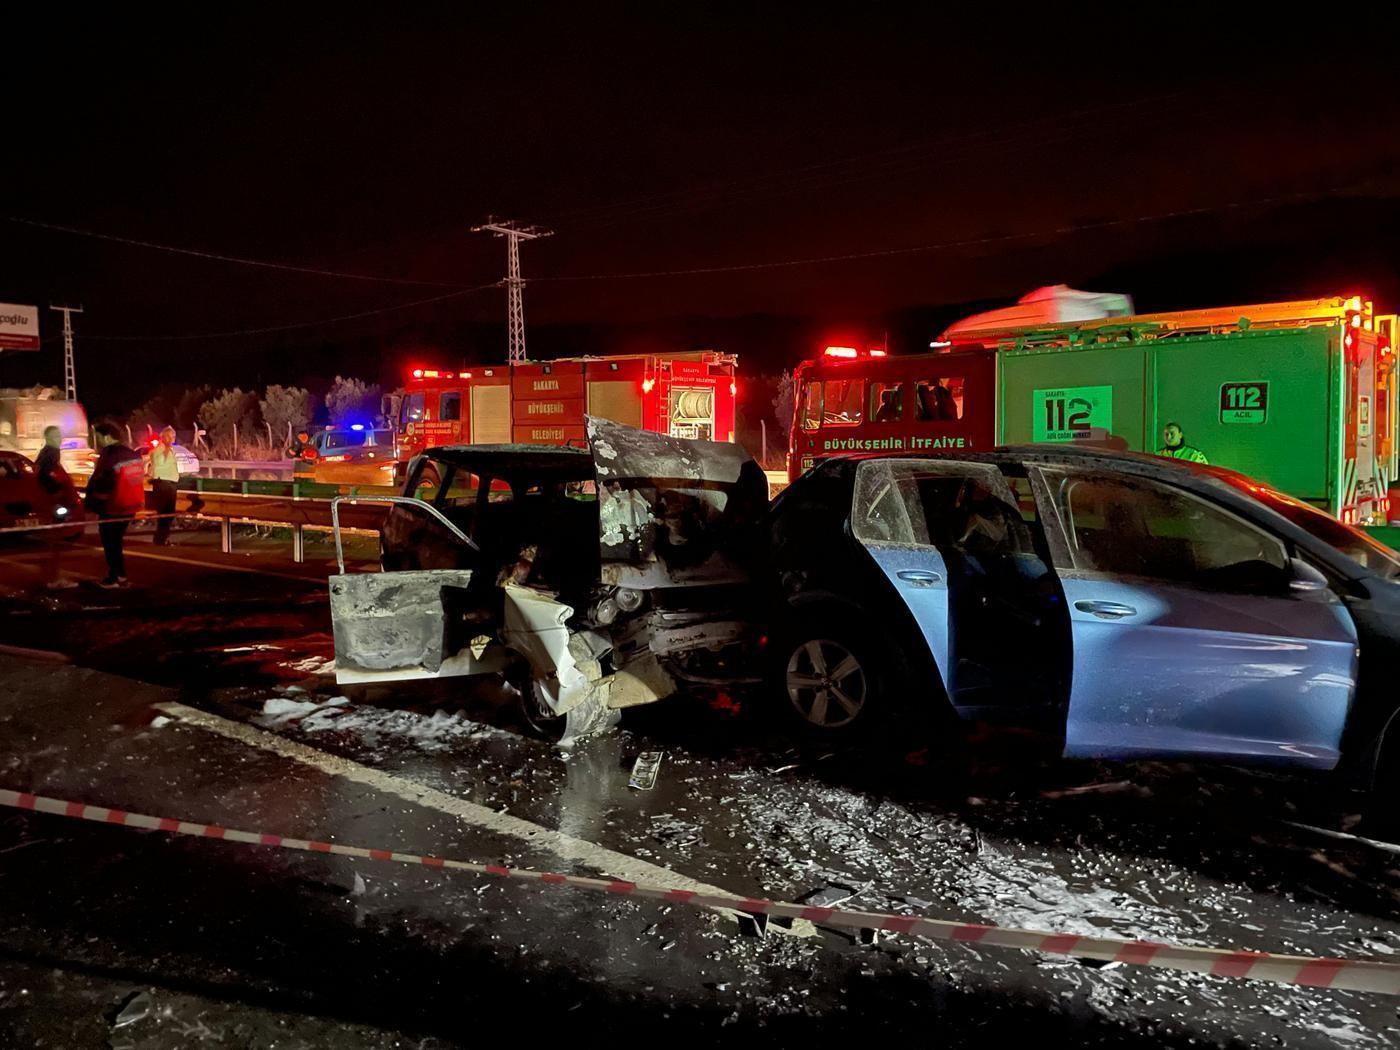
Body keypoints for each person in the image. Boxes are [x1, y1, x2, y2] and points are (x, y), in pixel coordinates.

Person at [85, 422, 145, 588]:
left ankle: (116, 577)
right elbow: (136, 480)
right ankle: (120, 576)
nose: (97, 442)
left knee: (110, 542)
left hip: (113, 507)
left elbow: (103, 483)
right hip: (131, 506)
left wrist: (92, 505)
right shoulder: (132, 454)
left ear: (106, 437)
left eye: (98, 438)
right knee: (116, 541)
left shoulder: (110, 455)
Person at [34, 425, 80, 589]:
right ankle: (53, 578)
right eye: (55, 436)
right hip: (54, 502)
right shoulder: (51, 452)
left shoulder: (44, 453)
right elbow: (44, 475)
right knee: (55, 541)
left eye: (59, 435)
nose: (59, 439)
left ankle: (51, 576)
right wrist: (57, 492)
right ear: (47, 438)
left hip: (49, 501)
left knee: (53, 540)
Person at [146, 426, 181, 545]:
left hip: (169, 483)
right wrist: (165, 450)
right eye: (171, 436)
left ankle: (162, 538)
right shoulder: (160, 449)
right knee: (165, 514)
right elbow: (158, 463)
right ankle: (160, 540)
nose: (173, 439)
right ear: (165, 437)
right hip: (163, 484)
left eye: (174, 436)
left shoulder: (168, 449)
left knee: (168, 514)